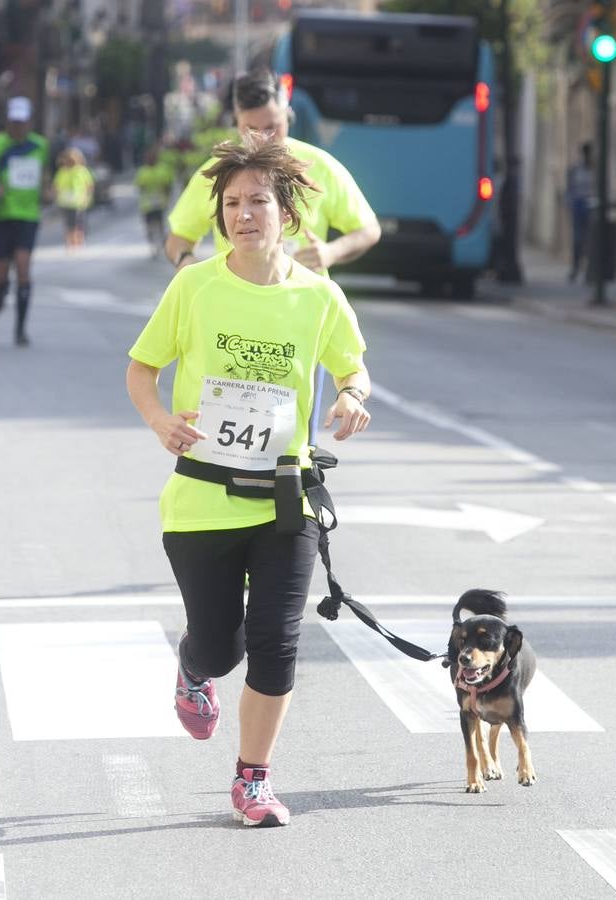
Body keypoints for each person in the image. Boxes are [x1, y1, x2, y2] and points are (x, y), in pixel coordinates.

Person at [127, 139, 372, 828]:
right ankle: (192, 666)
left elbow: (353, 367)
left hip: (285, 500)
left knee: (275, 640)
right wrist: (157, 422)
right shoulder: (194, 287)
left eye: (258, 201)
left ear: (287, 213)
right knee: (220, 645)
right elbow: (141, 370)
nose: (243, 214)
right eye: (231, 203)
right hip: (202, 498)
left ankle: (252, 780)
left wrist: (352, 398)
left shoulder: (318, 296)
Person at [165, 69, 379, 438]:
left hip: (299, 322)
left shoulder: (319, 168)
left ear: (288, 114)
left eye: (273, 127)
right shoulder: (221, 174)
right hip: (228, 321)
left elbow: (368, 229)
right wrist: (189, 269)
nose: (264, 138)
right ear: (236, 121)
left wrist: (330, 251)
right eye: (252, 129)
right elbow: (179, 238)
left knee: (289, 445)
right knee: (220, 442)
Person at [0, 97, 48, 347]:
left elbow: (45, 175)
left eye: (22, 122)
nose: (18, 127)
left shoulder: (40, 146)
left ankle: (20, 330)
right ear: (8, 121)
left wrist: (48, 190)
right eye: (14, 122)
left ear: (29, 122)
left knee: (24, 267)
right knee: (0, 273)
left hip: (27, 216)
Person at [135, 146, 174, 259]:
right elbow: (140, 187)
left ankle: (162, 242)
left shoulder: (163, 170)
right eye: (148, 157)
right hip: (147, 204)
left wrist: (167, 197)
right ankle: (153, 244)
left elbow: (168, 185)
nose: (150, 159)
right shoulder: (142, 171)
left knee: (159, 224)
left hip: (159, 203)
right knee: (149, 226)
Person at [54, 147, 94, 252]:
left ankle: (78, 241)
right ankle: (70, 242)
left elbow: (89, 185)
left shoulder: (82, 171)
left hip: (78, 202)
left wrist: (87, 197)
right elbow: (57, 185)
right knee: (68, 223)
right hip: (65, 202)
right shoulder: (62, 172)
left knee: (78, 223)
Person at [566, 143, 594, 283]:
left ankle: (589, 269)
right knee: (578, 240)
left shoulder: (594, 169)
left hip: (591, 207)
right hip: (579, 206)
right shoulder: (576, 170)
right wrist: (571, 205)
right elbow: (570, 189)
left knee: (590, 241)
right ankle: (576, 268)